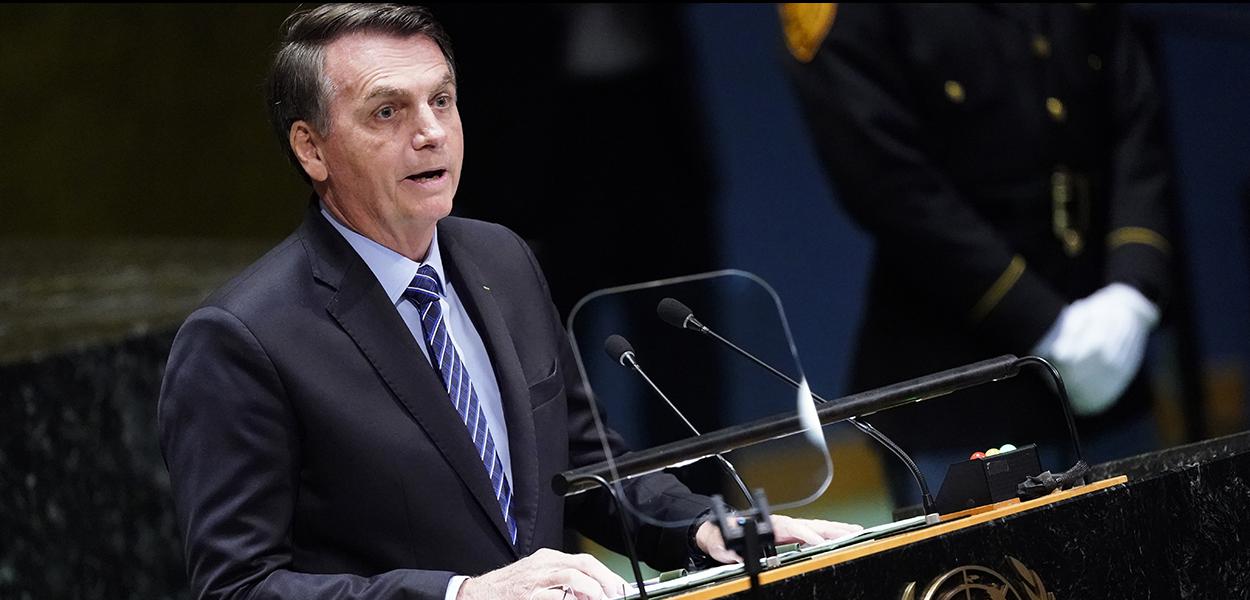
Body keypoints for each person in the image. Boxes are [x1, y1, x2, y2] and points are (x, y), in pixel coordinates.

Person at [158, 5, 859, 599]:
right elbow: (239, 585)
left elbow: (585, 468)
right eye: (386, 111)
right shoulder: (244, 338)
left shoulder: (503, 259)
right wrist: (460, 594)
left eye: (441, 99)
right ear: (312, 149)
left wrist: (707, 525)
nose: (429, 131)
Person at [783, 5, 1175, 501]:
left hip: (1109, 353)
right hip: (960, 384)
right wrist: (1045, 325)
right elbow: (887, 182)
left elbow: (1135, 119)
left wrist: (1133, 292)